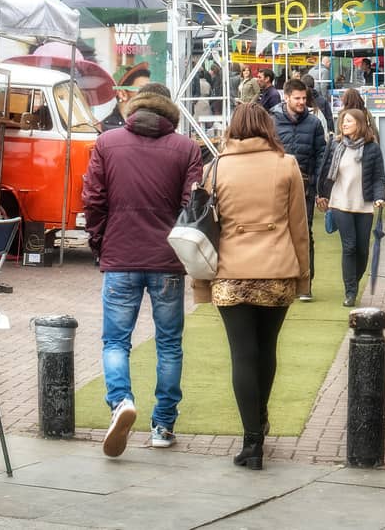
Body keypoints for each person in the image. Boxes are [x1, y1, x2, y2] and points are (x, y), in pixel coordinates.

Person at [82, 82, 203, 457]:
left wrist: (99, 240)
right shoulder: (187, 149)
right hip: (167, 259)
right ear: (170, 109)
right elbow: (193, 206)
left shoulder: (107, 143)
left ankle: (121, 401)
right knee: (169, 343)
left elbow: (93, 198)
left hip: (120, 255)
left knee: (116, 341)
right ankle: (163, 425)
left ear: (135, 108)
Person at [192, 103, 309, 470]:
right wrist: (303, 276)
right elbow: (299, 228)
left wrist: (200, 285)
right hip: (277, 270)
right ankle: (260, 421)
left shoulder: (215, 168)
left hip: (231, 273)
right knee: (267, 350)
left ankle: (251, 442)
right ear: (267, 127)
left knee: (242, 355)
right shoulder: (286, 164)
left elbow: (203, 231)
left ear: (233, 128)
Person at [317, 108, 385, 307]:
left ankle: (353, 282)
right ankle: (350, 291)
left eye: (348, 121)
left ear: (360, 124)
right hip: (340, 202)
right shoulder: (336, 145)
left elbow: (379, 177)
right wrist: (320, 194)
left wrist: (379, 197)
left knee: (363, 250)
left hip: (363, 205)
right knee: (350, 246)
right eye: (343, 121)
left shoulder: (372, 148)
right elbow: (324, 170)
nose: (344, 124)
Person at [271, 78, 326, 301]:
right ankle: (281, 281)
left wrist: (318, 183)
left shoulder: (313, 123)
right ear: (286, 98)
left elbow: (322, 153)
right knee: (277, 232)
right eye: (297, 98)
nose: (302, 102)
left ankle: (305, 284)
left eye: (304, 98)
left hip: (305, 185)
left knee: (304, 234)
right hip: (277, 186)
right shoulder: (271, 121)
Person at [99, 63, 152, 131]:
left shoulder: (150, 124)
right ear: (122, 94)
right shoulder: (107, 129)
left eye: (150, 89)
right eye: (142, 89)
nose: (149, 95)